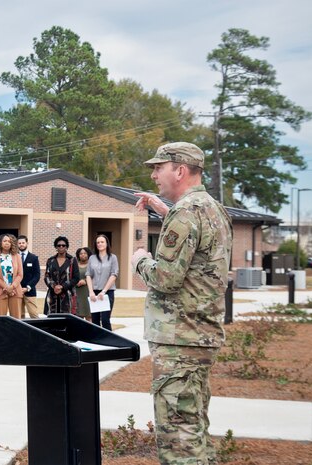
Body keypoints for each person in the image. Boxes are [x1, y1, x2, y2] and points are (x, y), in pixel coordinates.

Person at [131, 142, 232, 465]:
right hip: (199, 337)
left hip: (180, 340)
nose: (153, 174)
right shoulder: (212, 209)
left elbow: (166, 278)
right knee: (194, 429)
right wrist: (165, 211)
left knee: (179, 439)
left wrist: (140, 261)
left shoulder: (186, 214)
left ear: (180, 170)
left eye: (159, 167)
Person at [86, 234, 119, 331]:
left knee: (105, 319)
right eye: (98, 242)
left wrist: (104, 291)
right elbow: (88, 275)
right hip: (94, 292)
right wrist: (91, 291)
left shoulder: (113, 258)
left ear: (106, 244)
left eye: (102, 242)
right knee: (95, 320)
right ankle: (97, 342)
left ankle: (110, 341)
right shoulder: (92, 258)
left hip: (107, 292)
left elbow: (114, 275)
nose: (99, 244)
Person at [0, 233, 23, 318]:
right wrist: (6, 287)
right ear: (0, 243)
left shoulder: (17, 256)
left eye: (9, 241)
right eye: (5, 241)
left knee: (16, 321)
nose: (7, 243)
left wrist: (12, 287)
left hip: (15, 291)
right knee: (0, 321)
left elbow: (20, 274)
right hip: (0, 291)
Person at [43, 236, 79, 314]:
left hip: (67, 294)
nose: (61, 247)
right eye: (59, 245)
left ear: (67, 247)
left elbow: (76, 278)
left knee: (67, 321)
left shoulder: (72, 260)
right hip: (53, 294)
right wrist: (54, 287)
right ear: (56, 247)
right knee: (52, 321)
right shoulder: (50, 260)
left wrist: (62, 287)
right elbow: (46, 276)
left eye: (63, 245)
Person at [17, 235, 40, 319]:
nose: (21, 244)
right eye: (19, 243)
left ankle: (37, 332)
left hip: (30, 291)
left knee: (34, 315)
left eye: (23, 243)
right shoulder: (14, 257)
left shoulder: (34, 258)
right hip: (17, 291)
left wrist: (28, 287)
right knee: (19, 316)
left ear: (27, 243)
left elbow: (37, 275)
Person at [74, 247, 92, 322]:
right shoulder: (75, 265)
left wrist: (85, 280)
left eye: (85, 253)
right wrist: (75, 282)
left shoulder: (91, 265)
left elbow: (96, 276)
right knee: (78, 318)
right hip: (77, 293)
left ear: (88, 254)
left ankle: (90, 333)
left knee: (89, 317)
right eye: (81, 253)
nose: (83, 255)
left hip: (88, 293)